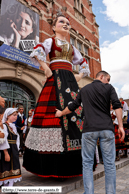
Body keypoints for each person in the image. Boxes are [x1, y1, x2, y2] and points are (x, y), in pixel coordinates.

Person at [23, 13, 90, 178]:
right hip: (55, 78)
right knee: (52, 112)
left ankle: (76, 163)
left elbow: (83, 64)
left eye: (68, 23)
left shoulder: (72, 48)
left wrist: (80, 76)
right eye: (62, 22)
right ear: (53, 27)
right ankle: (50, 166)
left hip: (70, 81)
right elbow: (38, 51)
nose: (66, 24)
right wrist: (45, 66)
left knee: (76, 113)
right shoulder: (50, 41)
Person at [55, 70, 125, 194]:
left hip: (89, 130)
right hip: (106, 129)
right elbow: (117, 106)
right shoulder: (109, 88)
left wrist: (60, 112)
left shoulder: (84, 89)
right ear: (102, 76)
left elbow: (73, 105)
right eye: (107, 79)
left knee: (87, 164)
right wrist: (120, 126)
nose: (108, 82)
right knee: (109, 164)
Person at [0, 108, 22, 187]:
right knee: (6, 166)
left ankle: (11, 183)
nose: (16, 117)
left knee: (14, 166)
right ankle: (6, 183)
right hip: (8, 149)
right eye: (14, 115)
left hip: (14, 149)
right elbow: (4, 140)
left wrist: (17, 148)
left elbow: (17, 138)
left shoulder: (14, 126)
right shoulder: (5, 126)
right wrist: (6, 153)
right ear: (8, 116)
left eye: (16, 115)